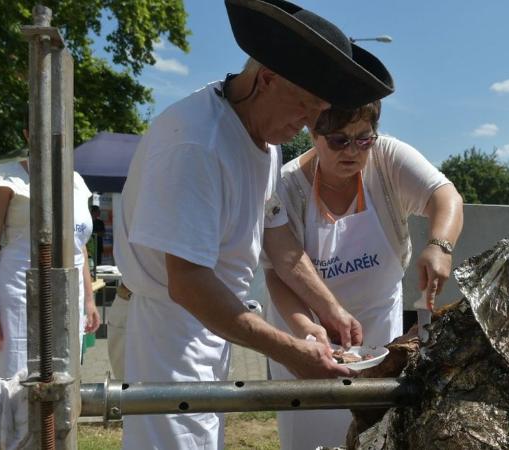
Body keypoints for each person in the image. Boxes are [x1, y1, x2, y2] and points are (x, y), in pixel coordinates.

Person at [112, 1, 394, 448]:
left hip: (207, 326)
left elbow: (276, 236)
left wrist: (326, 310)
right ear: (266, 79)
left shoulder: (261, 137)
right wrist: (287, 349)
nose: (306, 125)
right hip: (166, 330)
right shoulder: (197, 144)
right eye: (304, 108)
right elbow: (187, 283)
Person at [264, 101, 464, 449]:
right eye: (339, 141)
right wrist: (307, 330)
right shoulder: (286, 187)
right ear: (313, 132)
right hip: (305, 329)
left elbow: (445, 197)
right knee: (311, 436)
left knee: (373, 434)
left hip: (376, 331)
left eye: (364, 140)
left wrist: (439, 245)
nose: (353, 151)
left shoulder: (388, 160)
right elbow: (279, 273)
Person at [0, 157, 101, 380]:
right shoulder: (7, 177)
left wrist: (89, 300)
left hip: (69, 293)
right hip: (18, 292)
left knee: (63, 369)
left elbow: (78, 245)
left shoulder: (76, 181)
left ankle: (58, 415)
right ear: (27, 132)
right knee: (16, 370)